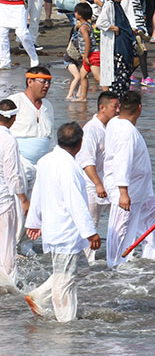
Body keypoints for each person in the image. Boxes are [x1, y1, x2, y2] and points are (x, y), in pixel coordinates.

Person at [22, 122, 100, 322]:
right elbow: (76, 203)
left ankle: (39, 295)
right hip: (65, 230)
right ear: (80, 143)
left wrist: (34, 221)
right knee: (64, 281)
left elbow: (37, 192)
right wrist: (90, 232)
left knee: (79, 269)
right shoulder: (69, 167)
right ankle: (65, 325)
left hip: (56, 226)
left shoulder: (47, 160)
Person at [103, 91, 155, 267]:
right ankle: (115, 264)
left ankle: (152, 258)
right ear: (140, 108)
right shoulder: (126, 132)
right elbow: (123, 161)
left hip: (140, 189)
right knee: (120, 228)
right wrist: (123, 192)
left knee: (154, 214)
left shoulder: (115, 122)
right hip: (126, 189)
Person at [76, 91, 117, 264]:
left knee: (119, 221)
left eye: (119, 107)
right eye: (115, 107)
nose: (117, 110)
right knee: (90, 225)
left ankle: (119, 257)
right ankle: (86, 263)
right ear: (102, 107)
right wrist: (98, 184)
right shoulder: (91, 129)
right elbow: (86, 161)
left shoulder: (112, 128)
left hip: (108, 184)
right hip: (92, 185)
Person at [6, 66, 55, 185]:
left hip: (43, 164)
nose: (47, 85)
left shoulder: (48, 105)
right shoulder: (14, 101)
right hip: (19, 162)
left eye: (49, 82)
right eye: (43, 81)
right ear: (30, 82)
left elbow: (51, 136)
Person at [0, 101, 28, 291]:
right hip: (3, 200)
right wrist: (23, 198)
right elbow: (12, 173)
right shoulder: (8, 140)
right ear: (14, 118)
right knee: (7, 246)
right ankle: (9, 287)